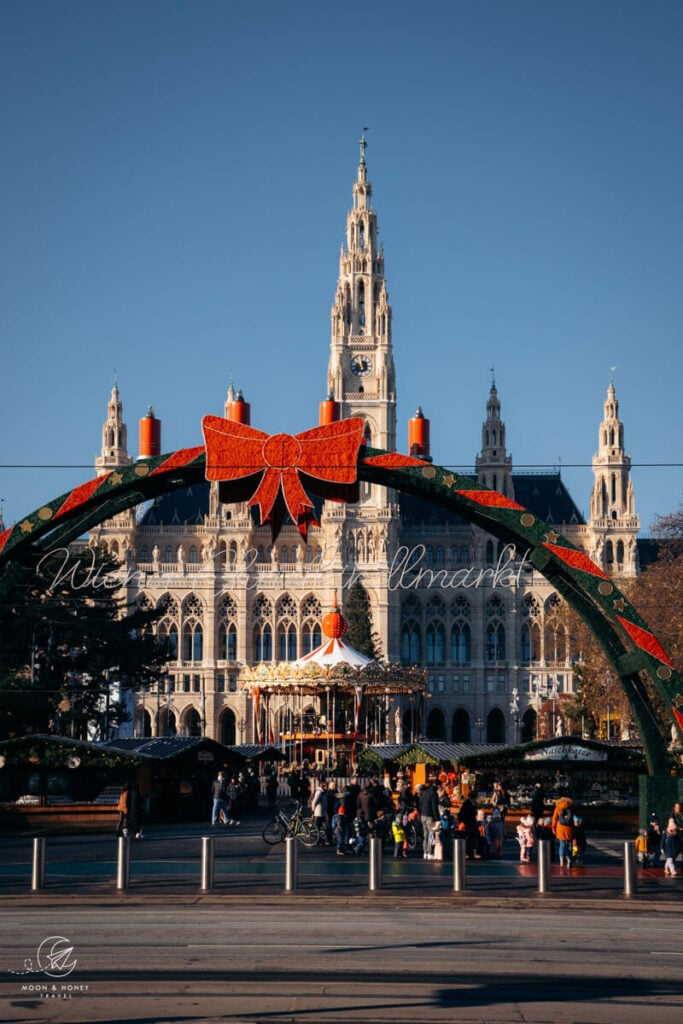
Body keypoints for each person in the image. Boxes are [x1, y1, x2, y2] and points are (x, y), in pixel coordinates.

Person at [419, 780, 440, 860]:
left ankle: (425, 852)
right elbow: (434, 807)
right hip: (430, 816)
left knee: (425, 835)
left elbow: (420, 804)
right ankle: (430, 853)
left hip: (423, 815)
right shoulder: (434, 793)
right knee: (431, 835)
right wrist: (437, 819)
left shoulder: (424, 792)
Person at [552, 796, 574, 867]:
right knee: (570, 844)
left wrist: (553, 828)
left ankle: (561, 861)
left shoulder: (558, 807)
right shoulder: (571, 806)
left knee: (562, 844)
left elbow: (554, 818)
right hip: (569, 827)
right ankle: (569, 859)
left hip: (560, 827)